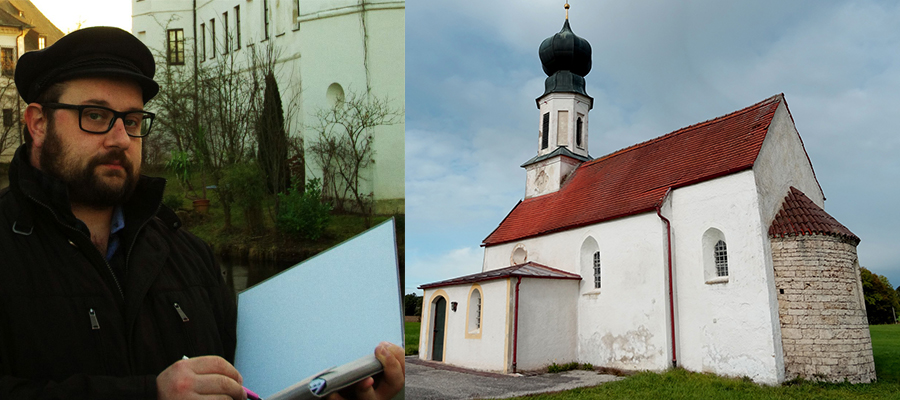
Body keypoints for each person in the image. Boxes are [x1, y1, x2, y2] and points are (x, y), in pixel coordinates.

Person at [0, 26, 404, 399]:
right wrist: (149, 395)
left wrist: (329, 390)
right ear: (38, 123)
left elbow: (249, 386)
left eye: (134, 119)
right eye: (96, 116)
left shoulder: (189, 256)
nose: (121, 138)